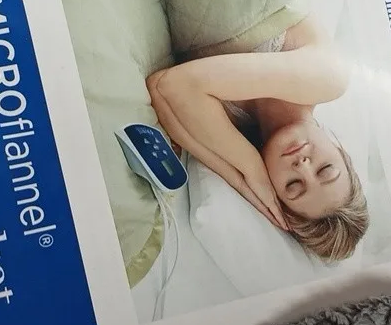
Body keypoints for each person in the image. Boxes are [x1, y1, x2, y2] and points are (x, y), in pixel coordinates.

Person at [147, 16, 369, 262]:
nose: (303, 166)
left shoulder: (232, 125)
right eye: (326, 170)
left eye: (293, 185)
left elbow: (160, 86)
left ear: (273, 192)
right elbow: (178, 85)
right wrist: (251, 168)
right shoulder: (330, 79)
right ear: (340, 151)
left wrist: (246, 179)